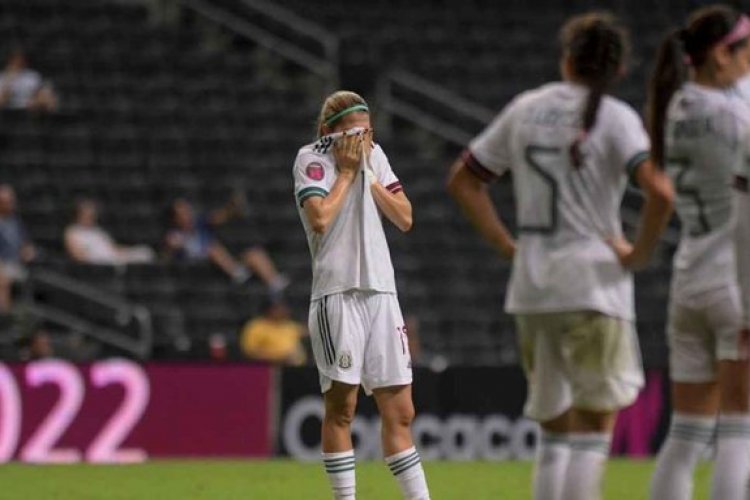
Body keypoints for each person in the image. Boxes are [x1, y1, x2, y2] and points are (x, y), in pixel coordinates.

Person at [447, 12, 673, 500]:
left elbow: (463, 179)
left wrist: (504, 243)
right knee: (593, 428)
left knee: (553, 431)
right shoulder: (616, 118)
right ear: (615, 68)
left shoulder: (526, 108)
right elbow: (661, 191)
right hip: (592, 286)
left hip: (532, 288)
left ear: (567, 59)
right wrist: (638, 254)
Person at [293, 90, 430, 500]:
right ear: (327, 131)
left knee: (402, 412)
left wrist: (368, 173)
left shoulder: (376, 156)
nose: (361, 139)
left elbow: (405, 217)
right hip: (338, 292)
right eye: (353, 132)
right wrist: (349, 172)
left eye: (366, 131)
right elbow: (319, 219)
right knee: (342, 409)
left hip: (381, 292)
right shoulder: (310, 159)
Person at [645, 7, 750, 500]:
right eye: (745, 50)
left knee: (686, 433)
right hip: (735, 279)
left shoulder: (675, 107)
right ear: (720, 55)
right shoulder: (735, 116)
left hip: (689, 279)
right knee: (738, 430)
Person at [163, 198, 289, 297]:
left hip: (220, 265)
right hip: (201, 270)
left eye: (188, 210)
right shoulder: (174, 236)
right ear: (175, 218)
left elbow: (219, 217)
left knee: (254, 253)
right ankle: (236, 272)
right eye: (183, 213)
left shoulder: (199, 224)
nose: (188, 214)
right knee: (211, 247)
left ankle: (274, 283)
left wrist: (231, 208)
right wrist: (173, 249)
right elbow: (168, 258)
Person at [64, 199, 155, 265]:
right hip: (95, 261)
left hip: (111, 258)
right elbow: (76, 255)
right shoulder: (72, 231)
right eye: (87, 215)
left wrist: (128, 251)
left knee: (146, 252)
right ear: (78, 215)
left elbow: (113, 248)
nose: (90, 217)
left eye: (92, 215)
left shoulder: (98, 231)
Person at [0, 184, 36, 312]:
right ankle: (5, 317)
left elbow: (25, 243)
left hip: (18, 264)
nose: (10, 204)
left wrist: (28, 251)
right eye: (6, 202)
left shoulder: (16, 222)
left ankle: (27, 316)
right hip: (3, 264)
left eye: (11, 201)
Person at [240, 299, 307, 365]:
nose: (283, 311)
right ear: (268, 310)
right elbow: (250, 352)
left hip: (298, 367)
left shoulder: (290, 325)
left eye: (284, 308)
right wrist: (278, 357)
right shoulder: (255, 326)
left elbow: (308, 333)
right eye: (278, 308)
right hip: (267, 367)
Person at [0, 47, 57, 112]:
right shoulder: (2, 77)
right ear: (9, 60)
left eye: (20, 59)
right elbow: (2, 101)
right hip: (6, 111)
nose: (18, 62)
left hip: (28, 110)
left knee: (48, 97)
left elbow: (41, 95)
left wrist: (37, 101)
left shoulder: (32, 76)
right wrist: (9, 78)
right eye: (15, 59)